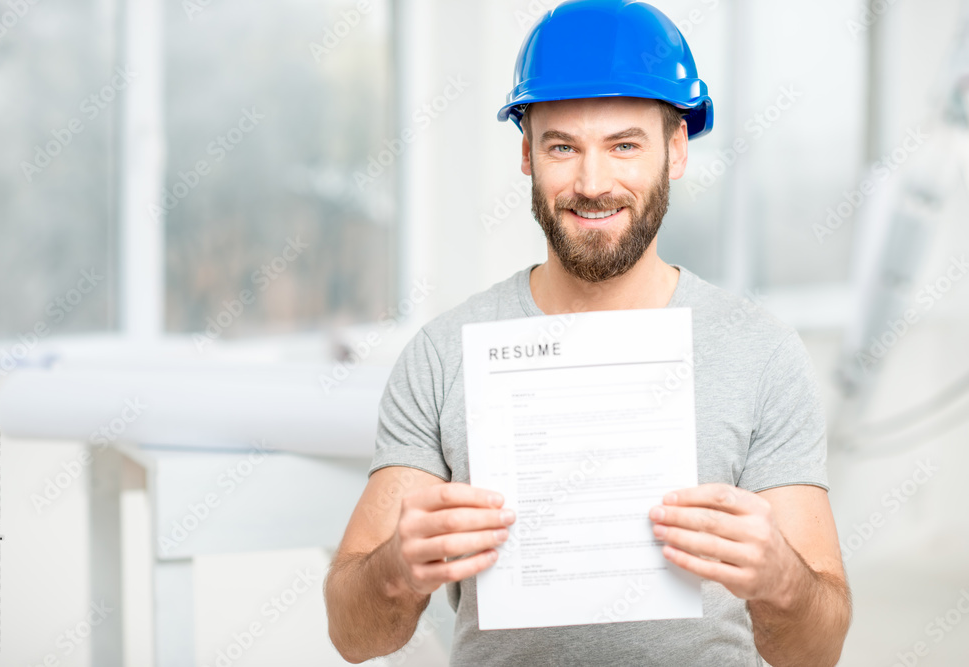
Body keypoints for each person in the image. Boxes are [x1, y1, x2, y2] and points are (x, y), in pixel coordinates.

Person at [325, 1, 852, 664]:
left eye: (624, 144)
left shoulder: (760, 353)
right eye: (562, 147)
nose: (593, 182)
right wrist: (396, 568)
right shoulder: (442, 355)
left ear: (678, 148)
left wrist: (780, 577)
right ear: (526, 154)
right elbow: (353, 633)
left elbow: (819, 648)